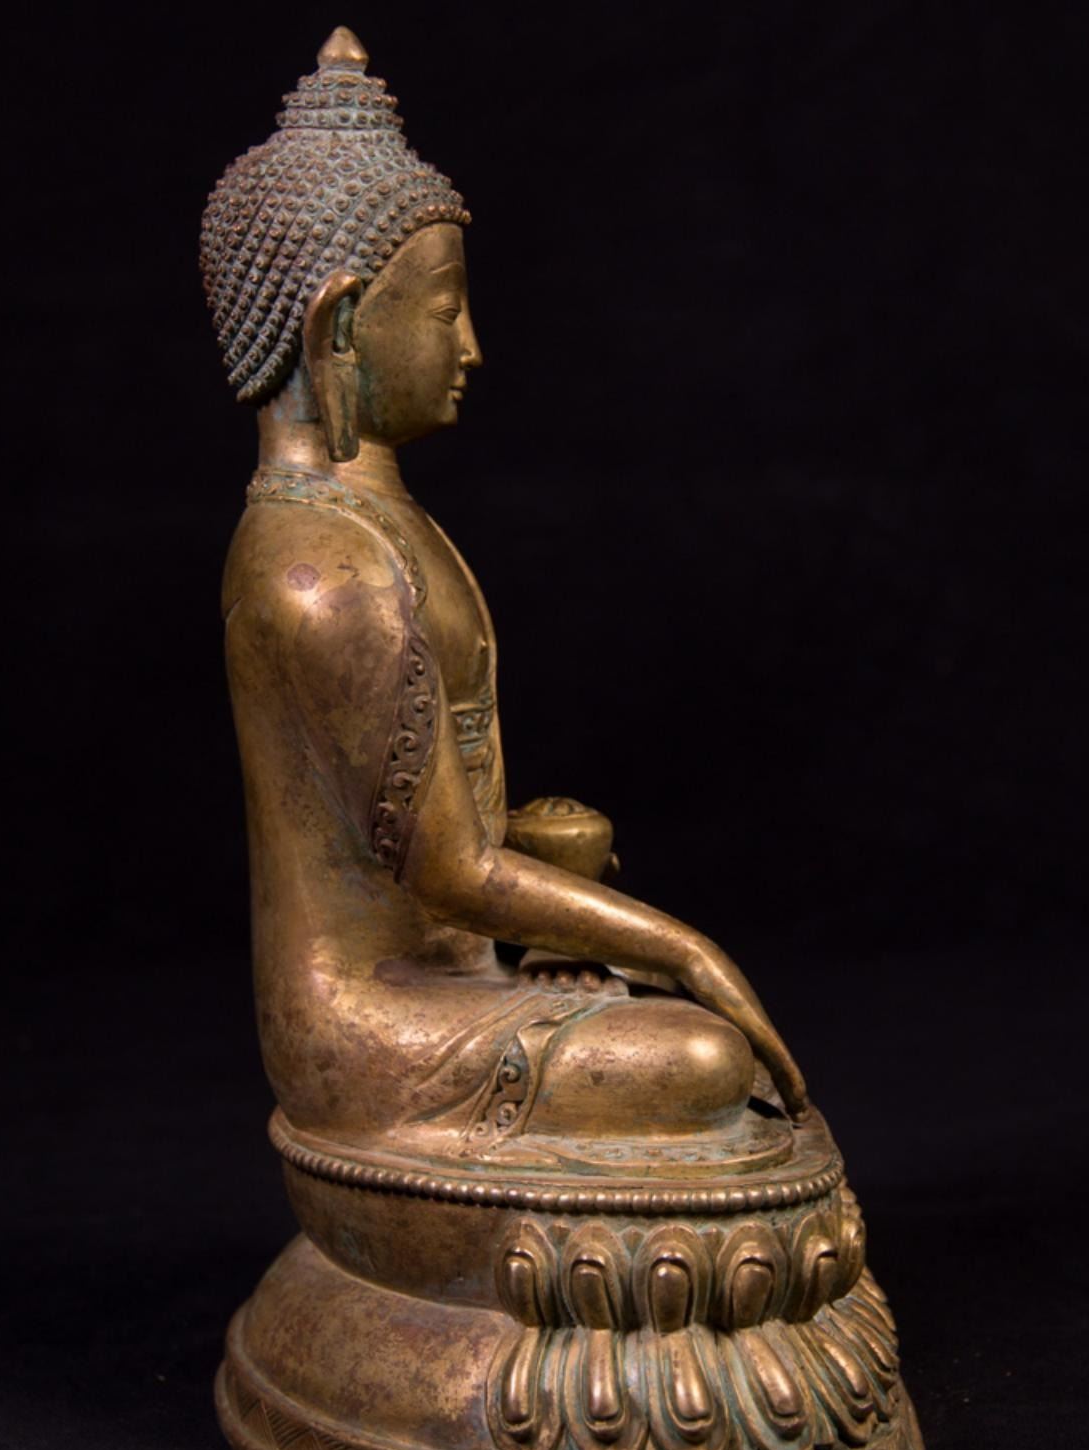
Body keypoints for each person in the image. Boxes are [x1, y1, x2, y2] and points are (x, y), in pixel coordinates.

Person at [203, 27, 807, 1159]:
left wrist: (550, 850)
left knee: (692, 1054)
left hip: (453, 972)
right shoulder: (319, 569)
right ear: (340, 326)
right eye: (445, 311)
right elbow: (449, 873)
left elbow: (439, 838)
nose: (471, 346)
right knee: (701, 1059)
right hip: (371, 1029)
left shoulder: (379, 529)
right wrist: (680, 946)